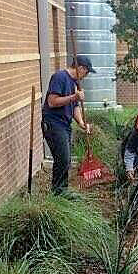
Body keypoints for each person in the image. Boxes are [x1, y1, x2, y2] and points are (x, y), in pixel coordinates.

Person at [41, 55, 95, 195]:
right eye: (87, 72)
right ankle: (58, 193)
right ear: (81, 68)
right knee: (63, 159)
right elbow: (52, 102)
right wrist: (74, 97)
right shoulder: (59, 77)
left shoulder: (74, 83)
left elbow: (75, 107)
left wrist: (82, 123)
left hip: (65, 125)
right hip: (53, 124)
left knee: (66, 159)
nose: (86, 76)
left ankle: (62, 190)